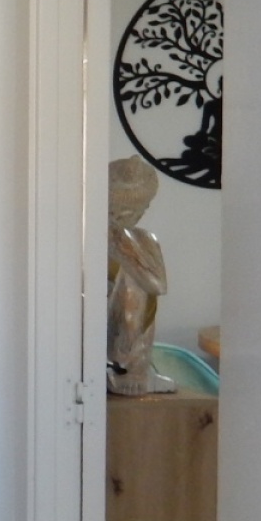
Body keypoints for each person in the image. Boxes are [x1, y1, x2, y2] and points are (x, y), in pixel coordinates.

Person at [107, 157, 172, 396]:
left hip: (132, 331)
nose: (130, 215)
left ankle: (133, 367)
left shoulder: (143, 240)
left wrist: (127, 252)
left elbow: (158, 285)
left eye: (140, 208)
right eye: (118, 208)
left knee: (134, 282)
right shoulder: (85, 238)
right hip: (100, 320)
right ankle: (119, 366)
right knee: (126, 281)